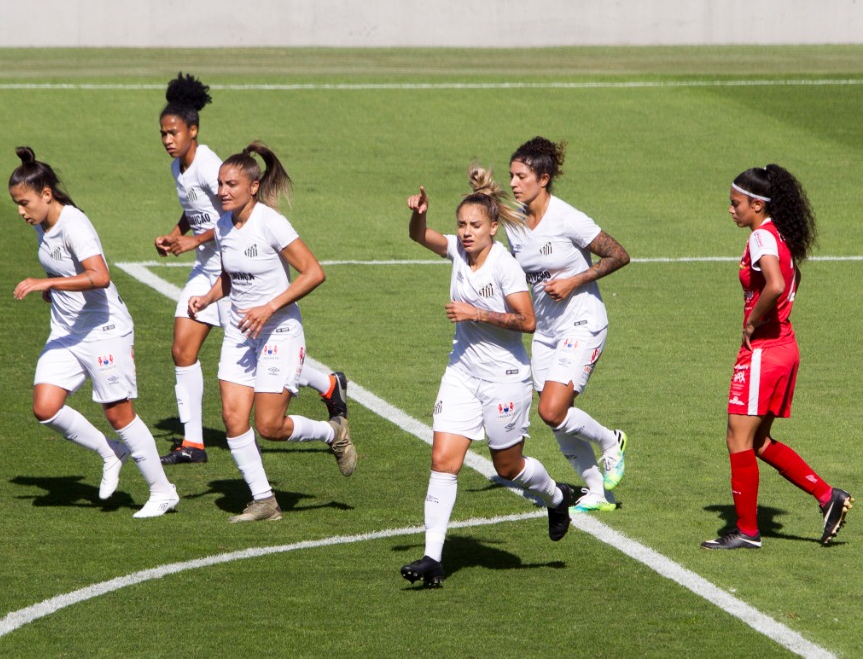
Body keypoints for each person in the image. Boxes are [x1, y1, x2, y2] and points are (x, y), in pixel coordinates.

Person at [400, 168, 580, 589]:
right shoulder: (458, 252)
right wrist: (418, 215)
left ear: (493, 228)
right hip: (461, 372)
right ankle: (432, 558)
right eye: (461, 224)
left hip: (504, 379)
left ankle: (556, 497)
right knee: (444, 461)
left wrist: (477, 313)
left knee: (508, 466)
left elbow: (529, 321)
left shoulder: (505, 268)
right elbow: (419, 236)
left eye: (474, 226)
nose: (465, 233)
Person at [154, 75, 346, 466]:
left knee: (260, 350)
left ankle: (325, 386)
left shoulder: (210, 166)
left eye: (173, 132)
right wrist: (178, 232)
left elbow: (229, 210)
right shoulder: (179, 168)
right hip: (216, 271)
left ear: (193, 130)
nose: (168, 140)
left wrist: (194, 240)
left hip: (231, 269)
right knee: (184, 349)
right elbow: (201, 211)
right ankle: (194, 443)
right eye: (163, 134)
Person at [187, 142, 356, 523]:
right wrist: (206, 297)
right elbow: (230, 279)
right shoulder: (224, 225)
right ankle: (264, 501)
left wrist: (269, 307)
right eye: (219, 184)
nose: (223, 191)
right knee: (233, 418)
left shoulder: (271, 222)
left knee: (269, 426)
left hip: (279, 330)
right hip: (240, 332)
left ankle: (333, 433)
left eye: (231, 184)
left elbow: (314, 272)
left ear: (253, 186)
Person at [10, 147, 179, 519]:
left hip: (104, 331)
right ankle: (110, 452)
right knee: (45, 407)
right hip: (67, 332)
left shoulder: (74, 225)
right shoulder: (43, 223)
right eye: (17, 204)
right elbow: (66, 271)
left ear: (46, 194)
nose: (21, 211)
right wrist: (54, 288)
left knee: (119, 414)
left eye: (24, 203)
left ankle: (163, 491)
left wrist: (45, 284)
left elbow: (101, 277)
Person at [702, 165, 852, 550]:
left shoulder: (761, 240)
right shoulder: (779, 235)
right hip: (784, 347)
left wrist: (752, 322)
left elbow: (778, 283)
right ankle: (827, 496)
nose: (730, 210)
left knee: (738, 439)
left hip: (764, 353)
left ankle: (747, 531)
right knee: (759, 441)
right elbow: (793, 279)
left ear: (757, 204)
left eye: (736, 204)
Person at [506, 137, 630, 513]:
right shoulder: (515, 222)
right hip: (546, 331)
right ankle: (597, 492)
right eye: (511, 176)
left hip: (583, 321)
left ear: (543, 178)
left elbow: (619, 254)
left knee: (551, 410)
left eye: (521, 176)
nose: (514, 183)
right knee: (557, 419)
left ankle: (611, 441)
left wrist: (573, 280)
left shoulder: (568, 218)